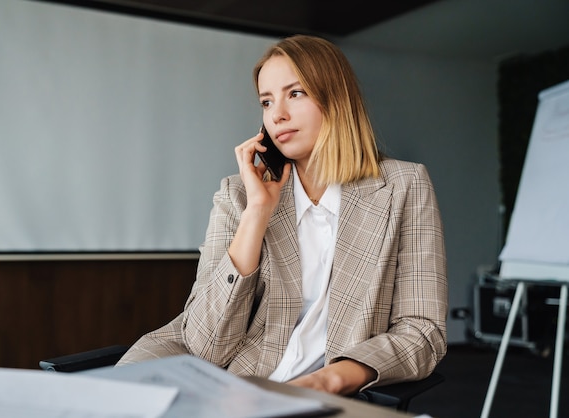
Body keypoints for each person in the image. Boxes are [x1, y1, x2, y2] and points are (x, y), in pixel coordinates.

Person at [117, 34, 448, 397]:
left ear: (336, 97)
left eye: (296, 93)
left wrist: (332, 377)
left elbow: (422, 330)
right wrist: (258, 212)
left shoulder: (403, 185)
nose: (277, 115)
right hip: (212, 377)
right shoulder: (239, 193)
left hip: (313, 393)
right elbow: (205, 344)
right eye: (266, 101)